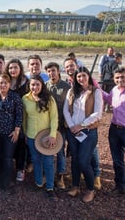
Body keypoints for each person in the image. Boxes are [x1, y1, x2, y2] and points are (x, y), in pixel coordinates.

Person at [63, 67, 103, 203]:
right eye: (78, 76)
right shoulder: (71, 91)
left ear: (89, 76)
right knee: (74, 160)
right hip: (73, 131)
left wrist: (81, 125)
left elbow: (98, 113)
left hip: (88, 131)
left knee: (83, 161)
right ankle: (75, 186)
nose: (81, 79)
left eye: (83, 76)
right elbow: (66, 111)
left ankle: (91, 189)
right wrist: (72, 126)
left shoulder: (96, 92)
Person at [101, 67, 125, 195]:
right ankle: (120, 186)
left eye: (122, 77)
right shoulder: (115, 90)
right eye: (117, 77)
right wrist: (97, 89)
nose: (119, 80)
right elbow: (109, 100)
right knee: (117, 161)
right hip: (115, 130)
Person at [22, 75, 59, 200]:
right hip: (32, 136)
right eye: (32, 84)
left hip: (46, 137)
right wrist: (26, 133)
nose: (35, 87)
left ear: (42, 85)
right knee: (36, 160)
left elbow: (54, 118)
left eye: (37, 84)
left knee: (48, 162)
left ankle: (50, 187)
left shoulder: (49, 99)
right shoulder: (25, 99)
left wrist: (53, 135)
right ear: (29, 85)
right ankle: (38, 182)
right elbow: (24, 119)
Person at [0, 73, 22, 194]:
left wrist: (16, 130)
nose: (3, 85)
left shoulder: (15, 97)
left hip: (10, 133)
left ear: (9, 84)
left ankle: (7, 181)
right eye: (1, 82)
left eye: (5, 83)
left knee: (8, 157)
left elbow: (19, 114)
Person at [45, 62, 71, 190]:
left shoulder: (66, 87)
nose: (51, 73)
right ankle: (47, 173)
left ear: (58, 71)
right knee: (47, 149)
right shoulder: (45, 86)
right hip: (47, 125)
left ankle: (60, 175)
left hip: (61, 124)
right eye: (49, 71)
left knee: (60, 151)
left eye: (53, 70)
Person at [5, 58, 30, 182]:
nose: (13, 70)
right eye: (10, 68)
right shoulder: (6, 82)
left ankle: (21, 168)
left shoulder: (26, 83)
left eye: (15, 67)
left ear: (20, 69)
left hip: (23, 117)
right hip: (7, 118)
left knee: (21, 144)